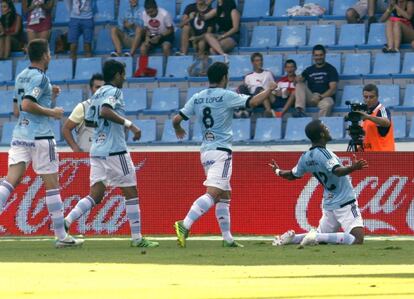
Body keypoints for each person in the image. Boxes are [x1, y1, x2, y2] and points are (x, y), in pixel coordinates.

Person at [172, 62, 278, 248]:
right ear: (224, 78)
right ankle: (185, 224)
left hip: (206, 152)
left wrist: (178, 128)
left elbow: (176, 119)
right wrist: (269, 89)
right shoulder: (227, 96)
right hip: (221, 151)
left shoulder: (197, 97)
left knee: (225, 195)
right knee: (213, 193)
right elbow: (253, 102)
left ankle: (227, 238)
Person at [64, 59, 159, 248]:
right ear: (116, 75)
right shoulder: (114, 91)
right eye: (123, 74)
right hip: (115, 150)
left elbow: (91, 120)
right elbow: (106, 111)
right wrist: (130, 125)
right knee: (131, 191)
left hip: (97, 149)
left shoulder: (97, 93)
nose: (124, 77)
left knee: (96, 195)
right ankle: (137, 238)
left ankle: (66, 221)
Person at [0, 39, 83, 248]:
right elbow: (28, 104)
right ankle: (62, 237)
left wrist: (49, 97)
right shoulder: (41, 78)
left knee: (10, 182)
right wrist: (52, 112)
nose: (51, 56)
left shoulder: (20, 76)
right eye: (49, 52)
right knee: (52, 185)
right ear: (45, 55)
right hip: (40, 137)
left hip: (20, 135)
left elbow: (17, 110)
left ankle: (62, 237)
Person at [269, 119, 368, 247]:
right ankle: (315, 235)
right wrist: (353, 168)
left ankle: (291, 238)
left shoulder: (305, 157)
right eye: (325, 128)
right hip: (345, 202)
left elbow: (291, 175)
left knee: (321, 238)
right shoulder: (325, 154)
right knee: (357, 239)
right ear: (321, 134)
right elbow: (337, 171)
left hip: (329, 203)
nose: (328, 129)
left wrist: (277, 171)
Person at [62, 73, 104, 152]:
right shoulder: (83, 107)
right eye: (97, 87)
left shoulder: (112, 108)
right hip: (86, 158)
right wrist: (75, 148)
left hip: (106, 158)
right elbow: (66, 129)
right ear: (91, 88)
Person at [295, 44, 338, 118]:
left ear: (324, 55)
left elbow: (333, 89)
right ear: (313, 56)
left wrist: (321, 97)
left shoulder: (331, 69)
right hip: (312, 97)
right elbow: (298, 81)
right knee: (299, 85)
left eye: (321, 55)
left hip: (325, 97)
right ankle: (300, 110)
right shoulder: (309, 70)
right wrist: (297, 79)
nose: (318, 57)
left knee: (327, 104)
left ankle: (319, 125)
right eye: (316, 55)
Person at [134, 0, 174, 77]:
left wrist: (160, 36)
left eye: (151, 12)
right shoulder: (144, 14)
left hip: (165, 35)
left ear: (156, 8)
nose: (150, 14)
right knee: (143, 48)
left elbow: (170, 30)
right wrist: (147, 38)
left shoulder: (165, 14)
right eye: (148, 12)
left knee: (166, 47)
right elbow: (146, 28)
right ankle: (143, 70)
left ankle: (169, 70)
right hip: (152, 35)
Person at [238, 52, 277, 118]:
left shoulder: (268, 74)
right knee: (241, 87)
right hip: (253, 97)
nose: (260, 62)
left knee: (260, 89)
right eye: (257, 60)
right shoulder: (248, 76)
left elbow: (274, 88)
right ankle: (243, 110)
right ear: (252, 63)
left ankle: (268, 111)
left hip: (265, 95)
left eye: (261, 60)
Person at [358, 84, 395, 151]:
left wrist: (368, 117)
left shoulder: (382, 110)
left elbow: (386, 122)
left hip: (382, 156)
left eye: (371, 97)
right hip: (368, 157)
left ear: (377, 97)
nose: (368, 100)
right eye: (366, 97)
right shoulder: (364, 113)